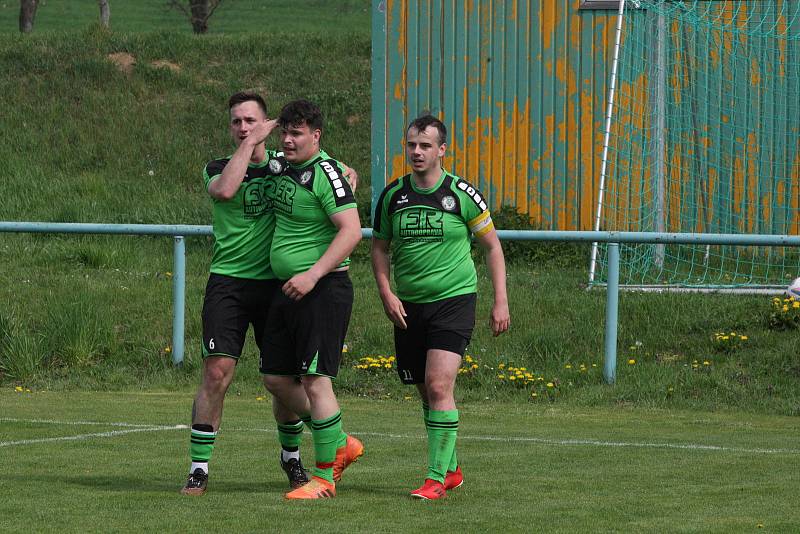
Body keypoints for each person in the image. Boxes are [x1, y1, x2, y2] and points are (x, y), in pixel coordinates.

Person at [181, 92, 358, 496]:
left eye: (252, 121)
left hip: (282, 287)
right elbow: (225, 191)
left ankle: (294, 461)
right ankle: (198, 468)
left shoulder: (285, 166)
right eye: (237, 122)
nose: (244, 128)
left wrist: (346, 174)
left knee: (289, 377)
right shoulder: (218, 167)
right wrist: (250, 144)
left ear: (269, 124)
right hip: (230, 281)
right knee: (219, 371)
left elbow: (331, 170)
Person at [370, 114, 510, 500]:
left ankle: (435, 480)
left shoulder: (461, 194)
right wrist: (386, 292)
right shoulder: (392, 195)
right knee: (425, 394)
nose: (417, 151)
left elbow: (493, 247)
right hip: (408, 307)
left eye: (425, 145)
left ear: (442, 150)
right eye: (412, 144)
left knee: (438, 385)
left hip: (454, 301)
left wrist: (500, 300)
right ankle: (451, 468)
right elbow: (379, 248)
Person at [260, 99, 364, 500]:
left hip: (322, 289)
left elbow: (351, 231)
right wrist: (262, 127)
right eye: (284, 132)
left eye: (297, 133)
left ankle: (323, 479)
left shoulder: (327, 173)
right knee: (274, 378)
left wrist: (312, 274)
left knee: (316, 380)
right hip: (288, 290)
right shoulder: (282, 164)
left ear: (316, 135)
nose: (287, 140)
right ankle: (340, 441)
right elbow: (255, 151)